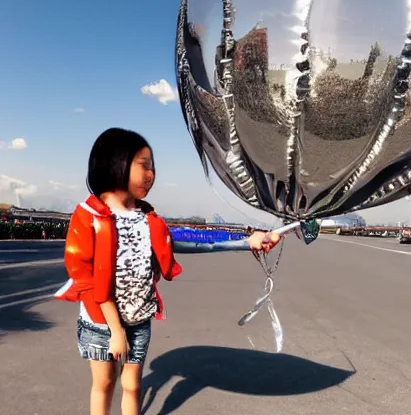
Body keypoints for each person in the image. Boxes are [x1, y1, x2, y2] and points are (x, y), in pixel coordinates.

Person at [54, 127, 281, 415]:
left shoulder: (149, 220)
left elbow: (195, 241)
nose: (151, 174)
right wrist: (114, 330)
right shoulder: (87, 218)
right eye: (144, 165)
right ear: (115, 163)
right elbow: (84, 277)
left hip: (138, 319)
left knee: (133, 387)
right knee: (105, 383)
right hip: (101, 324)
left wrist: (247, 241)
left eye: (153, 166)